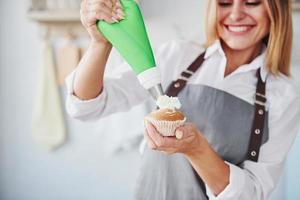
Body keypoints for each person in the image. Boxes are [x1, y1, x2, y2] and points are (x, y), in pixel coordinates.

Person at [65, 0, 300, 199]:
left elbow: (252, 193)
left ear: (275, 10)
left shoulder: (283, 96)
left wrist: (196, 148)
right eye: (225, 2)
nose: (236, 14)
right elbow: (87, 107)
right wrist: (100, 42)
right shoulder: (177, 56)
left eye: (252, 2)